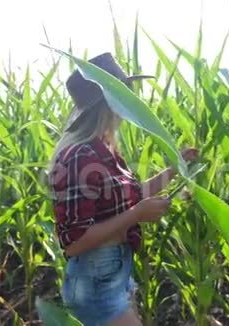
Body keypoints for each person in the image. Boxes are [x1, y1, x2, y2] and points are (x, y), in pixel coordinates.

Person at [47, 52, 198, 326]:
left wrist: (176, 167)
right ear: (107, 102)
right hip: (95, 281)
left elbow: (131, 196)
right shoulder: (80, 155)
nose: (130, 102)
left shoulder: (103, 148)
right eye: (123, 94)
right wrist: (136, 215)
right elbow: (74, 242)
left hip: (114, 273)